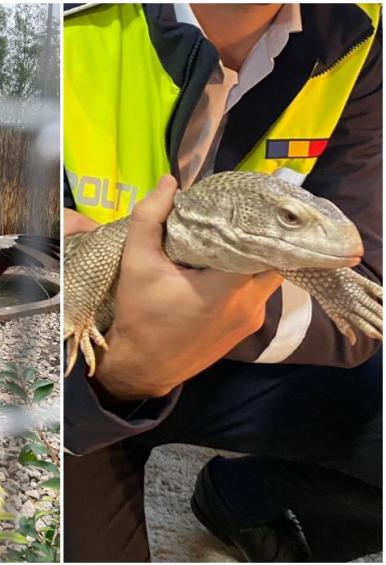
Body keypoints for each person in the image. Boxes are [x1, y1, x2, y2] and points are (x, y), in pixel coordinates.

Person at [63, 3, 382, 561]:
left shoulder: (362, 31)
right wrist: (112, 350)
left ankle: (245, 499)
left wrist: (196, 319)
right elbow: (61, 259)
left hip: (242, 362)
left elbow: (360, 284)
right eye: (287, 221)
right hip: (85, 368)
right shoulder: (66, 22)